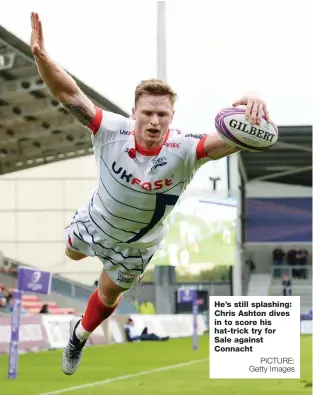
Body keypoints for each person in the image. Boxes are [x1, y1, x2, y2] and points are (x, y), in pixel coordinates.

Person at [29, 12, 271, 376]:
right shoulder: (110, 129)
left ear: (172, 117)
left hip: (137, 246)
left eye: (162, 114)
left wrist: (253, 102)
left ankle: (78, 335)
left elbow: (236, 141)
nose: (154, 121)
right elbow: (69, 94)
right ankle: (81, 257)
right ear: (134, 112)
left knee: (109, 296)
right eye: (147, 113)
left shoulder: (187, 149)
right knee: (72, 253)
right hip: (95, 221)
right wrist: (42, 57)